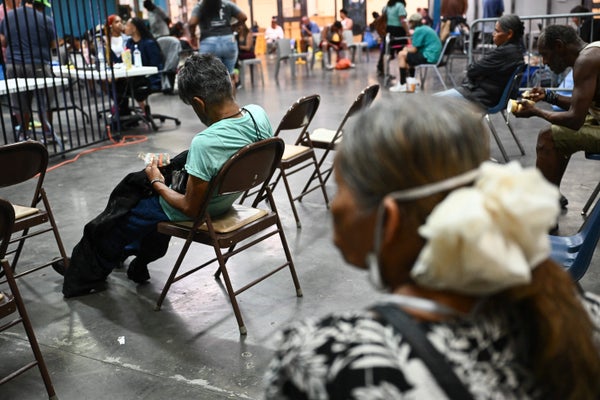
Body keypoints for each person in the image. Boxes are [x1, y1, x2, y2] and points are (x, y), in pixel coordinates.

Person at [264, 95, 600, 399]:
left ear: (390, 219)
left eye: (341, 189)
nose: (334, 207)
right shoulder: (582, 317)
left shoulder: (324, 363)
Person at [57, 53, 274, 297]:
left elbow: (190, 208)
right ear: (230, 84)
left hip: (202, 209)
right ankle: (131, 260)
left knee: (114, 220)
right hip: (226, 200)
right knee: (136, 203)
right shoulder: (257, 114)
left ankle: (84, 272)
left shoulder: (206, 142)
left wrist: (157, 181)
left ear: (198, 104)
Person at [513, 24, 600, 208]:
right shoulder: (593, 51)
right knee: (556, 134)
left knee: (549, 136)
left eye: (546, 54)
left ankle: (544, 210)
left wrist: (535, 111)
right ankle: (551, 196)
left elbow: (575, 120)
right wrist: (549, 95)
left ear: (559, 46)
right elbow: (582, 104)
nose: (544, 62)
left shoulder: (586, 61)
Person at [435, 14, 524, 109]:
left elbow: (472, 70)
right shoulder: (517, 51)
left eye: (497, 31)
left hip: (481, 98)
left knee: (431, 101)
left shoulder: (503, 53)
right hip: (491, 96)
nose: (493, 34)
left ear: (509, 34)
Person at [0, 0, 56, 142]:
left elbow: (3, 42)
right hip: (38, 64)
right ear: (41, 6)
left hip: (14, 65)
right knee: (45, 101)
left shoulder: (9, 16)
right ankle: (47, 133)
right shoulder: (46, 19)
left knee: (19, 102)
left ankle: (24, 134)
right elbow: (53, 44)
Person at [188, 0, 247, 77]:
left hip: (208, 42)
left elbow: (192, 23)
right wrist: (234, 27)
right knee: (229, 75)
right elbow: (243, 17)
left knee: (209, 77)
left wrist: (193, 36)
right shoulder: (227, 3)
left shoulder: (200, 5)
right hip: (228, 40)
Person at [120, 17, 163, 118]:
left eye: (127, 25)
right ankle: (123, 114)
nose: (124, 27)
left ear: (134, 28)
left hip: (149, 78)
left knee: (127, 85)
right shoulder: (129, 43)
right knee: (117, 85)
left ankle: (140, 113)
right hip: (135, 76)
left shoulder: (149, 44)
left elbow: (156, 65)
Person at [390, 13, 441, 92]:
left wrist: (405, 49)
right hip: (433, 56)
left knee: (401, 54)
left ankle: (402, 84)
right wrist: (406, 49)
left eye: (410, 22)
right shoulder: (424, 28)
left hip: (429, 57)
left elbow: (414, 50)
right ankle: (411, 83)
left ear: (413, 22)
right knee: (407, 56)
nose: (408, 24)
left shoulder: (418, 30)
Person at [376, 0, 410, 78]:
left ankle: (382, 70)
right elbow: (402, 20)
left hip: (388, 31)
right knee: (402, 51)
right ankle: (405, 72)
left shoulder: (387, 6)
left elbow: (384, 16)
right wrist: (407, 31)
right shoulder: (400, 5)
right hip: (399, 31)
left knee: (386, 51)